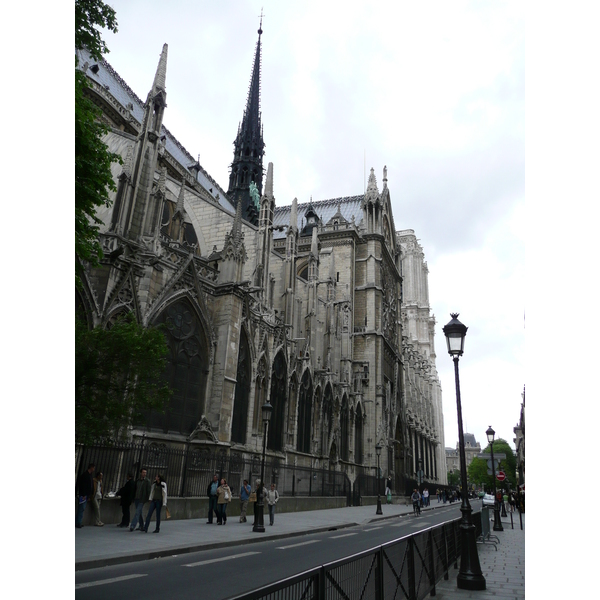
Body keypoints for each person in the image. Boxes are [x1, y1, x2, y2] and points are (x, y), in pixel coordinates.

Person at [75, 463, 95, 528]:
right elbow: (83, 485)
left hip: (86, 495)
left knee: (82, 508)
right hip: (84, 495)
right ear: (91, 467)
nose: (94, 469)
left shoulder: (89, 475)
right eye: (93, 468)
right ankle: (78, 523)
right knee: (81, 508)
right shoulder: (85, 475)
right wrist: (84, 494)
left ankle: (78, 522)